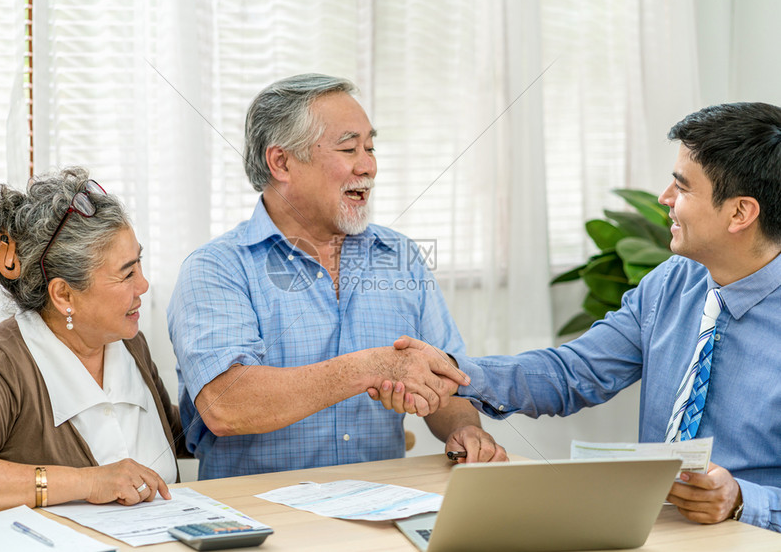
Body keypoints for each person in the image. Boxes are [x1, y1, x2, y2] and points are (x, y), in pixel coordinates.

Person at [375, 102, 781, 532]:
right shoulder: (673, 281)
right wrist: (453, 372)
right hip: (652, 529)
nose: (664, 199)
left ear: (740, 213)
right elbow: (573, 372)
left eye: (682, 188)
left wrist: (740, 500)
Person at [167, 73, 505, 480]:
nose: (369, 166)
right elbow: (226, 406)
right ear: (282, 162)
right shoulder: (216, 268)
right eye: (349, 148)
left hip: (383, 511)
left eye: (370, 147)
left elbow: (447, 380)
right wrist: (373, 367)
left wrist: (464, 429)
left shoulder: (400, 256)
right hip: (262, 522)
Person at [0, 168, 186, 512]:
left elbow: (171, 428)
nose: (144, 286)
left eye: (140, 265)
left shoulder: (128, 342)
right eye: (127, 273)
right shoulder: (0, 362)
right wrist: (89, 481)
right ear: (63, 295)